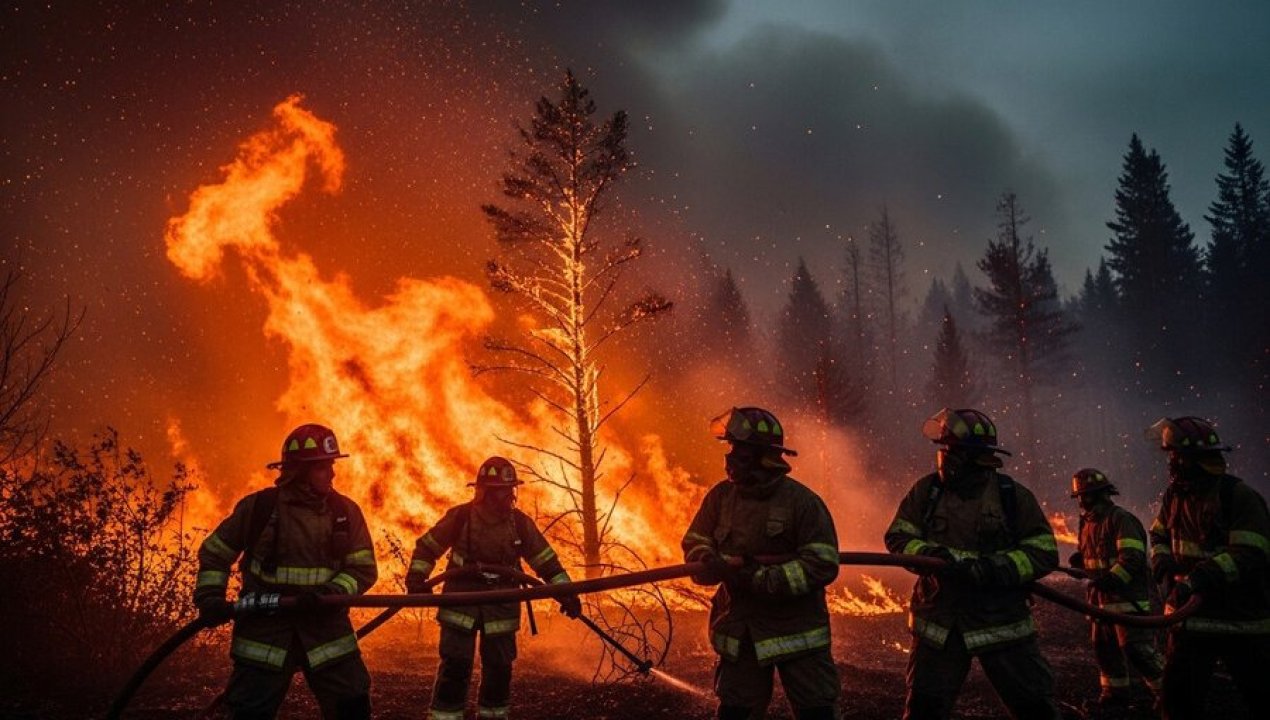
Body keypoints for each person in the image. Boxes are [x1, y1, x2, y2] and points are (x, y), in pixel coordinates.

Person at [884, 408, 1060, 720]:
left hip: (1001, 622)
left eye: (949, 450)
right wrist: (930, 557)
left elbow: (1043, 551)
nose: (943, 457)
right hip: (941, 624)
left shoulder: (1011, 496)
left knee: (1034, 707)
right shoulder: (927, 492)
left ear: (965, 456)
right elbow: (898, 536)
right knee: (924, 708)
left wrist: (994, 569)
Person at [193, 423, 378, 720]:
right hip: (264, 635)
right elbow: (216, 552)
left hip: (326, 632)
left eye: (331, 464)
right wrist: (210, 597)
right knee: (249, 712)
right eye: (322, 467)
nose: (331, 473)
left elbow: (363, 569)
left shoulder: (345, 512)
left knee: (353, 708)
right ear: (299, 471)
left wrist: (330, 593)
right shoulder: (259, 508)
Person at [681, 406, 841, 720]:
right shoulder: (721, 497)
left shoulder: (802, 503)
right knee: (735, 712)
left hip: (798, 634)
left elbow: (822, 563)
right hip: (742, 633)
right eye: (730, 451)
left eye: (739, 454)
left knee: (817, 712)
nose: (730, 460)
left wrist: (760, 578)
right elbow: (695, 539)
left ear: (765, 458)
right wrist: (705, 559)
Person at [406, 456, 582, 720]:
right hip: (461, 603)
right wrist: (417, 579)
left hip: (502, 605)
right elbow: (427, 547)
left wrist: (566, 593)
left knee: (499, 670)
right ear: (484, 492)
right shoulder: (461, 517)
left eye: (511, 490)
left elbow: (546, 562)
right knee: (455, 667)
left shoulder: (520, 523)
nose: (508, 497)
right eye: (502, 491)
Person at [1145, 416, 1270, 719]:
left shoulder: (1237, 496)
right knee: (1177, 703)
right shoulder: (1175, 495)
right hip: (1190, 621)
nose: (1171, 463)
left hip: (1240, 620)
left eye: (1175, 456)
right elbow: (1159, 533)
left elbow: (1250, 552)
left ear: (1193, 459)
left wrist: (1201, 576)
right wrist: (1161, 558)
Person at [1066, 467, 1163, 712]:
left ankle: (1168, 694)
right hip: (1100, 603)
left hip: (1128, 602)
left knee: (1138, 650)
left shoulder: (1121, 519)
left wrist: (1112, 579)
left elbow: (1131, 558)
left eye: (1084, 496)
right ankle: (1114, 697)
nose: (1082, 501)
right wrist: (1082, 560)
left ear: (1097, 495)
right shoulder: (1087, 523)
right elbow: (1097, 557)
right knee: (1105, 652)